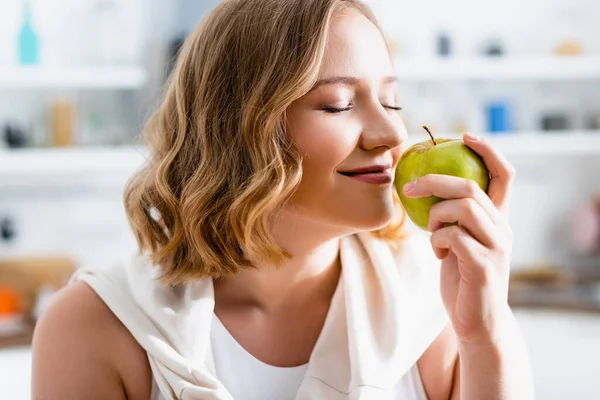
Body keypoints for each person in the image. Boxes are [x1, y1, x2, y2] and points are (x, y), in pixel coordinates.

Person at [31, 0, 535, 399]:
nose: (389, 133)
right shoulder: (100, 325)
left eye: (391, 100)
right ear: (238, 130)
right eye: (339, 104)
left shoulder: (430, 307)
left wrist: (484, 330)